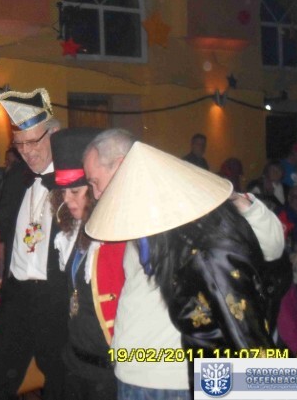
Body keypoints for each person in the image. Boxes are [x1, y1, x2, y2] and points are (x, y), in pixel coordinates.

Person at [82, 129, 286, 398]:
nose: (96, 194)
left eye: (95, 182)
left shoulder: (187, 210)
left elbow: (272, 245)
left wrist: (234, 198)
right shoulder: (131, 216)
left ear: (121, 167)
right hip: (133, 371)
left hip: (170, 380)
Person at [0, 88, 66, 400]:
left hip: (54, 298)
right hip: (16, 295)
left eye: (33, 142)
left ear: (54, 134)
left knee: (60, 383)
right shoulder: (16, 177)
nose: (26, 152)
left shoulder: (73, 180)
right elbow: (0, 229)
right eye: (19, 144)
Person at [46, 128, 124, 400]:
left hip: (107, 371)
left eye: (76, 191)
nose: (67, 199)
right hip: (74, 362)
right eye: (63, 192)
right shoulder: (69, 234)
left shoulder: (116, 233)